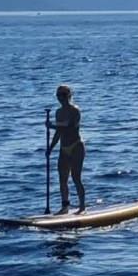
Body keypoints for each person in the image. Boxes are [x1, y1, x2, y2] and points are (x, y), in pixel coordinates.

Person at [47, 84, 86, 213]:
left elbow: (69, 127)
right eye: (58, 95)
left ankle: (82, 207)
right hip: (63, 148)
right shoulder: (58, 112)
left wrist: (52, 125)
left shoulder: (75, 110)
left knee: (76, 177)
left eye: (63, 95)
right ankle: (65, 206)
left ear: (69, 96)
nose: (61, 98)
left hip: (76, 147)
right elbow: (58, 132)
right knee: (62, 179)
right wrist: (50, 148)